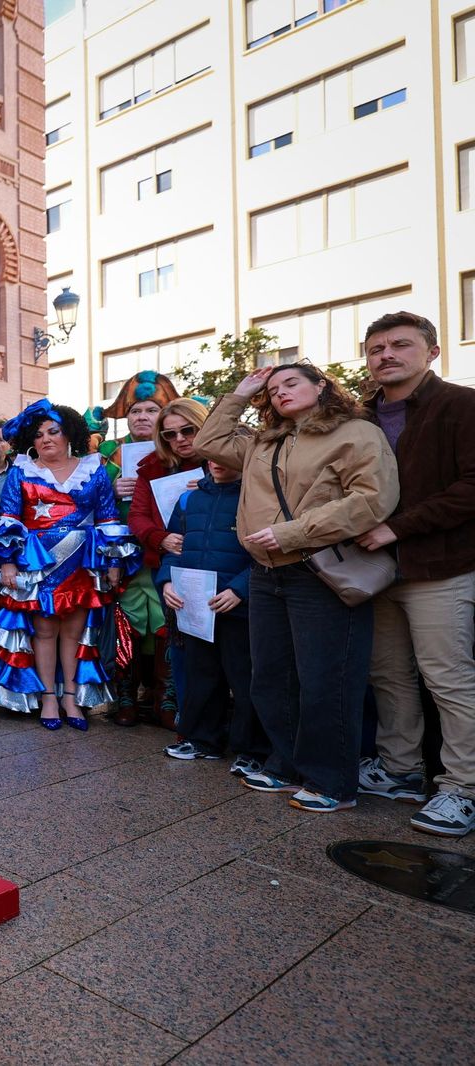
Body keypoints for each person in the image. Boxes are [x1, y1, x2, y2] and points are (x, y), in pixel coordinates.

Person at [196, 363, 399, 812]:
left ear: (321, 385)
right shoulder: (263, 441)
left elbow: (372, 499)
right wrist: (240, 392)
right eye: (272, 389)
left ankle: (333, 782)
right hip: (268, 575)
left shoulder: (356, 433)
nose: (280, 393)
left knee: (327, 680)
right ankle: (287, 764)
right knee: (272, 677)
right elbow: (206, 443)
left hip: (318, 569)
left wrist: (293, 533)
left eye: (291, 383)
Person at [354, 312, 475, 837]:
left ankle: (460, 789)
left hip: (441, 567)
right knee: (388, 676)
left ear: (432, 351)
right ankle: (400, 770)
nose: (387, 355)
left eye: (400, 345)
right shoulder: (358, 418)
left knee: (448, 680)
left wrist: (397, 529)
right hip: (375, 572)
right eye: (376, 348)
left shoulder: (462, 405)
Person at [0, 400, 138, 729]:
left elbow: (109, 518)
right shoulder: (21, 471)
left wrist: (113, 563)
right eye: (38, 434)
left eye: (53, 431)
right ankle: (48, 699)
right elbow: (8, 517)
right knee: (43, 632)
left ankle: (71, 697)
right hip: (37, 565)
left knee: (73, 632)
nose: (45, 439)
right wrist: (8, 562)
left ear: (69, 434)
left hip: (82, 564)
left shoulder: (93, 469)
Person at [156, 457, 270, 773]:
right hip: (195, 605)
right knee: (200, 673)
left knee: (245, 678)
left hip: (238, 606)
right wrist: (166, 580)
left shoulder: (256, 497)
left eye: (226, 456)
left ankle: (253, 750)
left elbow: (265, 554)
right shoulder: (189, 498)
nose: (217, 463)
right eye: (212, 456)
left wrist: (239, 589)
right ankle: (203, 739)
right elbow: (174, 548)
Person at [98, 371, 180, 726]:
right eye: (135, 411)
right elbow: (87, 505)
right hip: (124, 556)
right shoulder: (107, 456)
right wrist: (111, 490)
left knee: (166, 621)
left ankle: (165, 696)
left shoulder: (181, 449)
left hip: (167, 552)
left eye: (150, 410)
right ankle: (126, 694)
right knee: (126, 621)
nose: (142, 416)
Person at [125, 397, 208, 729]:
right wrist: (161, 538)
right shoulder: (151, 466)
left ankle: (204, 715)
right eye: (170, 434)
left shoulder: (223, 460)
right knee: (175, 635)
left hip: (218, 562)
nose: (180, 440)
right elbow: (138, 516)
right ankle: (169, 703)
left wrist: (211, 487)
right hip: (168, 562)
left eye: (187, 431)